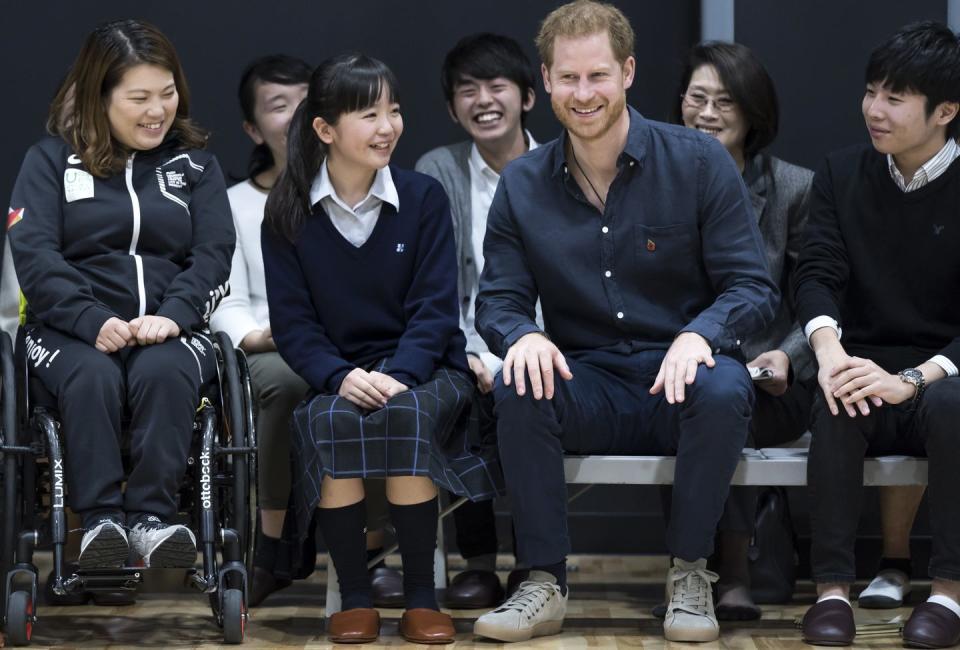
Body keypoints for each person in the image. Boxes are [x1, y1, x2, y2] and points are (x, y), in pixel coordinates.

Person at [471, 0, 778, 643]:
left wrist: (700, 335)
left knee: (725, 386)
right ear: (547, 82)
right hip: (589, 379)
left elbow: (751, 287)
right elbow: (497, 299)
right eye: (570, 78)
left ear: (628, 72)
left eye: (599, 76)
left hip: (681, 374)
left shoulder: (698, 161)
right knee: (518, 384)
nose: (584, 94)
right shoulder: (522, 183)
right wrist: (522, 335)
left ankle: (692, 573)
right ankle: (543, 581)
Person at [261, 53, 501, 644]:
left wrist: (400, 373)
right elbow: (294, 326)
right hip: (339, 375)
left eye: (393, 110)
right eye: (369, 114)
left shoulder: (422, 199)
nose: (388, 126)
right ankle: (357, 595)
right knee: (330, 420)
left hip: (424, 370)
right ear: (325, 129)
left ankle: (421, 595)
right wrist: (340, 377)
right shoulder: (289, 212)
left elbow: (435, 311)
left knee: (407, 413)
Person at [7, 19, 234, 570]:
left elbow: (213, 253)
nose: (158, 109)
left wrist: (174, 315)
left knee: (163, 372)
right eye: (139, 97)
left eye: (167, 92)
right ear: (99, 96)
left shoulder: (196, 167)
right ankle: (102, 520)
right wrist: (89, 318)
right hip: (67, 332)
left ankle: (153, 521)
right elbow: (33, 253)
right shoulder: (49, 162)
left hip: (170, 329)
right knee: (91, 375)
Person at [795, 21, 960, 648]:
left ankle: (948, 593)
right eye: (870, 92)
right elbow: (817, 273)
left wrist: (913, 380)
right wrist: (830, 350)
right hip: (866, 361)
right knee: (837, 394)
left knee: (953, 406)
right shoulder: (841, 173)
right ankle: (831, 590)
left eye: (894, 98)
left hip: (941, 373)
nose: (873, 110)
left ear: (945, 110)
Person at [672, 41, 815, 620]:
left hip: (772, 379)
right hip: (682, 366)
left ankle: (728, 570)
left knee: (724, 405)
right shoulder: (661, 180)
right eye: (696, 98)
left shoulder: (792, 188)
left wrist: (787, 356)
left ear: (753, 111)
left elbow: (818, 303)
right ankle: (696, 568)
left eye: (723, 102)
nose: (706, 114)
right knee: (694, 399)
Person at [415, 31, 539, 609]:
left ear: (528, 97)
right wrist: (464, 349)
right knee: (465, 395)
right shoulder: (438, 170)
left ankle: (537, 561)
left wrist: (527, 346)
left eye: (497, 86)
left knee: (527, 390)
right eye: (468, 91)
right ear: (451, 108)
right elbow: (429, 282)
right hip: (463, 341)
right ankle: (480, 562)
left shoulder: (561, 165)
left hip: (548, 343)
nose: (484, 100)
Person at [210, 54, 314, 606]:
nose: (296, 115)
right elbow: (228, 299)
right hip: (272, 344)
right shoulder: (233, 205)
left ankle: (374, 545)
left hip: (355, 342)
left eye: (305, 100)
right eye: (280, 105)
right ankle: (271, 545)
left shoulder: (363, 186)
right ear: (253, 128)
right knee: (282, 380)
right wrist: (256, 337)